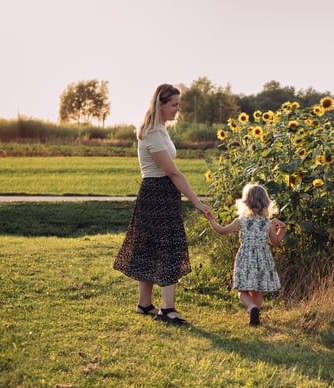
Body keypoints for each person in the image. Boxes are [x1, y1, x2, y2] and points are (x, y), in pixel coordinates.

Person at [114, 83, 212, 325]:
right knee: (167, 247)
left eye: (179, 105)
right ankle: (168, 310)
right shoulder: (154, 134)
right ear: (160, 104)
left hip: (158, 193)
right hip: (157, 193)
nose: (178, 110)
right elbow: (174, 173)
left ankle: (144, 304)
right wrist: (198, 203)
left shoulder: (160, 129)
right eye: (174, 105)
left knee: (150, 247)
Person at [208, 183, 286, 325]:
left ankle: (251, 307)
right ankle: (256, 314)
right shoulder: (267, 223)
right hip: (262, 259)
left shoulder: (241, 221)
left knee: (242, 291)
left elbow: (222, 230)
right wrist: (283, 228)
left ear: (246, 203)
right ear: (266, 203)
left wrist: (211, 220)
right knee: (257, 291)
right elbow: (275, 241)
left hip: (245, 258)